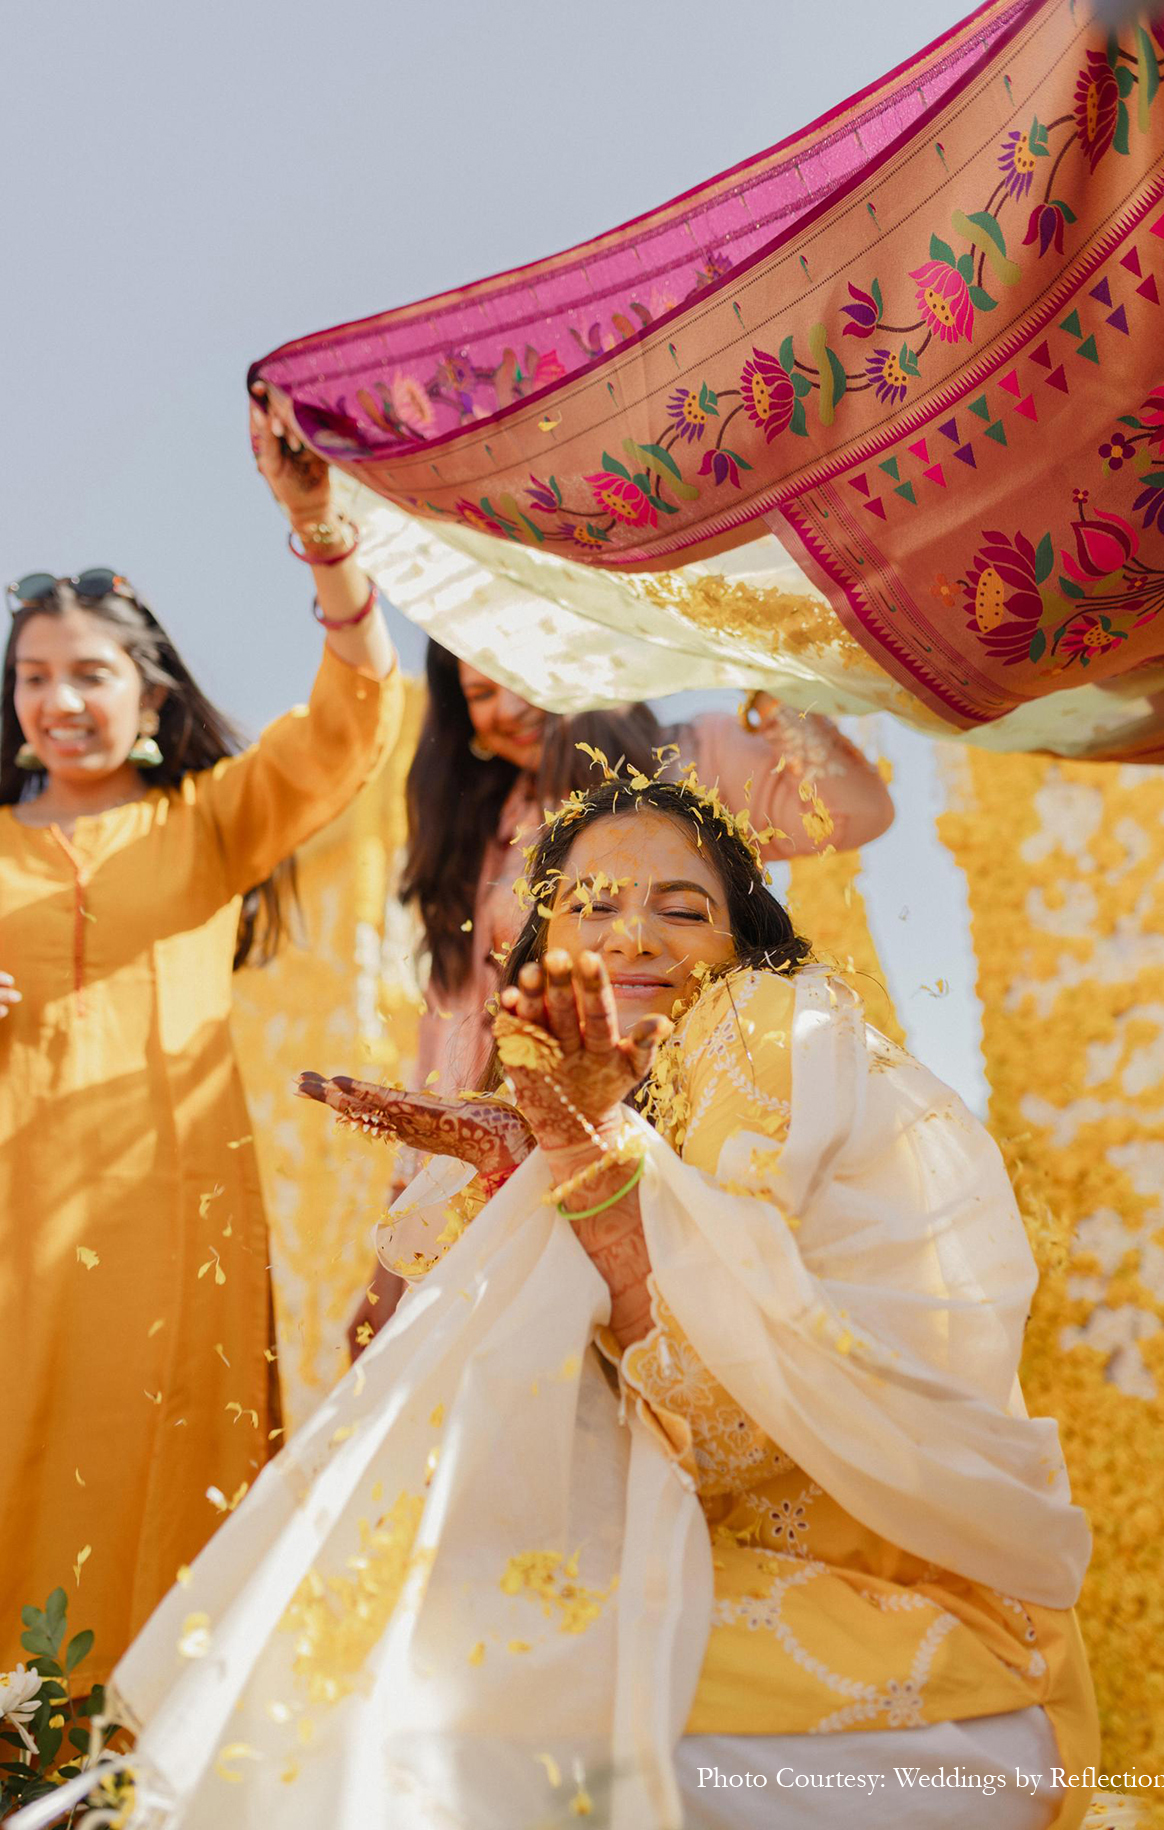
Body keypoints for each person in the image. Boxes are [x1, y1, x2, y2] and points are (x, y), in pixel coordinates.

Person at [82, 775, 1097, 1830]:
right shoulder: (555, 1114)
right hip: (713, 1579)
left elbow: (731, 1433)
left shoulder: (765, 1034)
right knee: (339, 1643)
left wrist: (586, 1168)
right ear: (537, 962)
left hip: (940, 1656)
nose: (635, 939)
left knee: (429, 1713)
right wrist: (520, 1180)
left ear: (747, 943)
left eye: (681, 907)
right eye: (593, 907)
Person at [0, 395, 404, 1692]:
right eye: (36, 675)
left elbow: (353, 721)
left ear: (151, 692)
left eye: (90, 672)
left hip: (170, 1220)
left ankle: (141, 1767)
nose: (61, 700)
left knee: (157, 1472)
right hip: (11, 1225)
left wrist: (320, 531)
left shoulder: (209, 824)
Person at [348, 635, 894, 1351]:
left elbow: (858, 810)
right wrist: (415, 1200)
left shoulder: (693, 754)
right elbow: (458, 1024)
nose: (510, 709)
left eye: (517, 673)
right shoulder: (485, 830)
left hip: (692, 1129)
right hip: (525, 1146)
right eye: (480, 696)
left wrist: (764, 678)